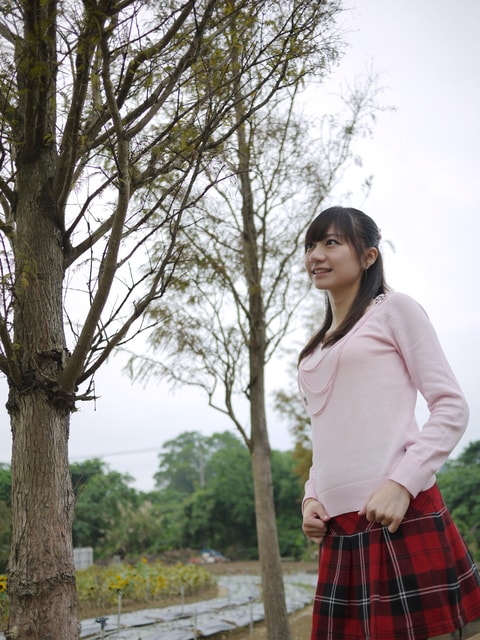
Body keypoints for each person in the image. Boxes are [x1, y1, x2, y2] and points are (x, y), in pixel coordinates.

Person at [299, 206, 480, 640]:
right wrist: (310, 498)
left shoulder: (394, 309)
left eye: (331, 243)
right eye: (311, 245)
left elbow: (451, 406)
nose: (315, 255)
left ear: (368, 256)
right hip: (338, 529)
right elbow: (325, 440)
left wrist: (402, 484)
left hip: (399, 515)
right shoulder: (312, 352)